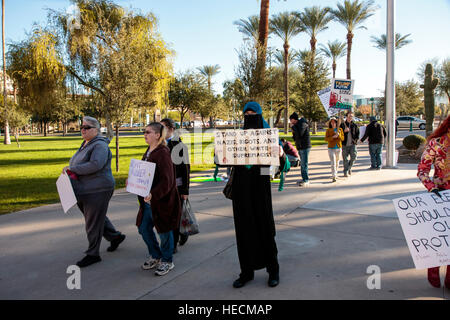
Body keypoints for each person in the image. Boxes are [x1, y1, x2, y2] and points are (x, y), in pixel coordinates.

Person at [230, 101, 287, 289]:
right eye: (246, 114)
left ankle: (274, 270)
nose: (249, 117)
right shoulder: (236, 136)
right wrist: (217, 154)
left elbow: (283, 165)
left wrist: (281, 154)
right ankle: (246, 272)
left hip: (260, 189)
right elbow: (222, 160)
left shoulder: (270, 136)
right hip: (240, 190)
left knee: (265, 230)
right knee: (244, 232)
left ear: (260, 114)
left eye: (253, 113)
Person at [63, 116, 125, 268]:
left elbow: (96, 164)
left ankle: (93, 254)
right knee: (96, 218)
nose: (83, 130)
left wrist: (72, 169)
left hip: (98, 188)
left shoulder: (100, 146)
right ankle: (115, 237)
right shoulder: (86, 143)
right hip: (84, 188)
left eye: (87, 127)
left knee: (92, 221)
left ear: (97, 130)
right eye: (82, 127)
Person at [136, 122, 181, 276]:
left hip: (161, 201)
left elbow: (168, 180)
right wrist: (134, 183)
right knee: (143, 228)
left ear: (157, 135)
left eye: (148, 132)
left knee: (164, 230)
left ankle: (167, 261)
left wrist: (154, 194)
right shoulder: (149, 150)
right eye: (144, 132)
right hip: (147, 201)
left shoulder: (163, 152)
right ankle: (155, 255)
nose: (145, 135)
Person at [417, 115, 450, 289]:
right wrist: (431, 186)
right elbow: (422, 170)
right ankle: (433, 273)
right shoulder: (436, 143)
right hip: (440, 197)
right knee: (439, 240)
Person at [160, 118, 190, 253]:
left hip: (177, 186)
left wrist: (185, 190)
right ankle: (183, 233)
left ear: (171, 129)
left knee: (175, 215)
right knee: (169, 215)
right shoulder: (158, 144)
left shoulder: (179, 145)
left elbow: (185, 169)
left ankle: (173, 244)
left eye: (162, 128)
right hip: (163, 186)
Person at [289, 112, 311, 187]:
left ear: (294, 119)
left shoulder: (303, 123)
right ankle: (303, 178)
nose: (290, 122)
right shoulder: (297, 125)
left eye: (291, 120)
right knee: (302, 163)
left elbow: (300, 134)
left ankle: (306, 180)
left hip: (305, 146)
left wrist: (293, 128)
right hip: (300, 147)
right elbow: (296, 137)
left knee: (304, 163)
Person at [340, 111, 360, 177]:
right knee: (345, 159)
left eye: (351, 116)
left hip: (352, 144)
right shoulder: (342, 125)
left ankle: (349, 168)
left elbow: (357, 134)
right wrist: (344, 131)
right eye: (349, 116)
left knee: (354, 157)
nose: (350, 117)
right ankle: (345, 171)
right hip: (344, 144)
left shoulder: (354, 125)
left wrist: (355, 141)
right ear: (346, 117)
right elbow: (339, 133)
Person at [325, 117, 345, 183]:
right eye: (332, 122)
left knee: (337, 161)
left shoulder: (340, 129)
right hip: (331, 148)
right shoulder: (328, 130)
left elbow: (342, 138)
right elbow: (326, 139)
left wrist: (338, 135)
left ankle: (336, 173)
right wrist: (332, 137)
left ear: (336, 123)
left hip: (338, 148)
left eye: (334, 122)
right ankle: (333, 176)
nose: (333, 124)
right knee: (333, 162)